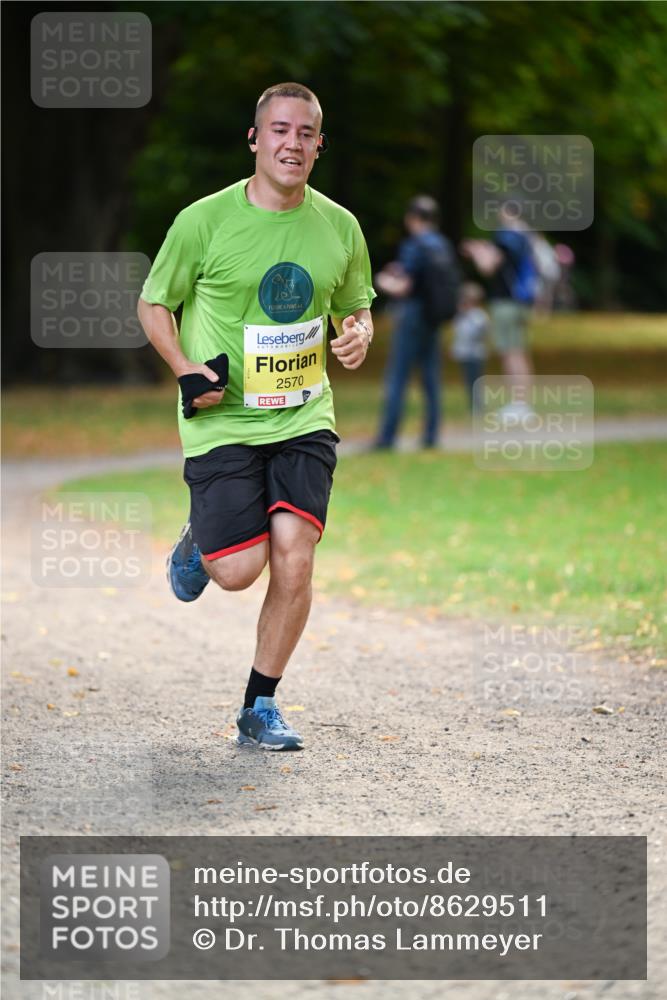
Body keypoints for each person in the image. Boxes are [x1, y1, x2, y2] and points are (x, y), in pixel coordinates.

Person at [137, 82, 375, 751]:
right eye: (278, 130)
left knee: (294, 558)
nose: (291, 143)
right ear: (254, 139)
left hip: (303, 416)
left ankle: (259, 705)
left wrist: (359, 333)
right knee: (238, 571)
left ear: (319, 145)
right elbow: (154, 303)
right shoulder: (202, 223)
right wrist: (184, 366)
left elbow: (355, 306)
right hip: (221, 420)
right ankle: (199, 543)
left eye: (304, 133)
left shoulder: (340, 226)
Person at [373, 196, 458, 449]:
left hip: (411, 315)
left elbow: (404, 286)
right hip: (433, 317)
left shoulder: (415, 245)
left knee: (398, 376)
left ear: (413, 218)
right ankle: (431, 436)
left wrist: (382, 281)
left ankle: (387, 438)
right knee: (431, 377)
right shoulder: (443, 244)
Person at [461, 203, 536, 420]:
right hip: (521, 303)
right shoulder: (525, 235)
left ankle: (519, 405)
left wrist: (476, 253)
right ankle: (523, 403)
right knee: (519, 351)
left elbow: (488, 267)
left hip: (506, 303)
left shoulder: (505, 236)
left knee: (510, 352)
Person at [450, 282, 489, 412]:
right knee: (468, 380)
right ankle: (472, 404)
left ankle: (478, 405)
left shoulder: (479, 316)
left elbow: (480, 333)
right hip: (464, 353)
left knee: (476, 380)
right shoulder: (459, 316)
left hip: (476, 354)